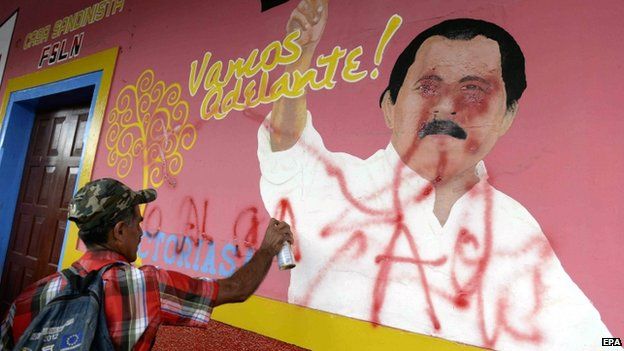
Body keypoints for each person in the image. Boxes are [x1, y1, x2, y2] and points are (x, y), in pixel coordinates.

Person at [257, 0, 619, 350]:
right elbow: (287, 142)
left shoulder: (515, 229)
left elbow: (589, 338)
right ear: (390, 107)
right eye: (428, 87)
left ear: (507, 116)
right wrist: (297, 62)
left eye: (473, 90)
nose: (447, 105)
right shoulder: (335, 185)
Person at [0, 178, 293, 350]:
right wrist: (267, 249)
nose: (141, 231)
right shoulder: (146, 287)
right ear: (117, 231)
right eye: (137, 224)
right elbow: (236, 289)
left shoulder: (30, 298)